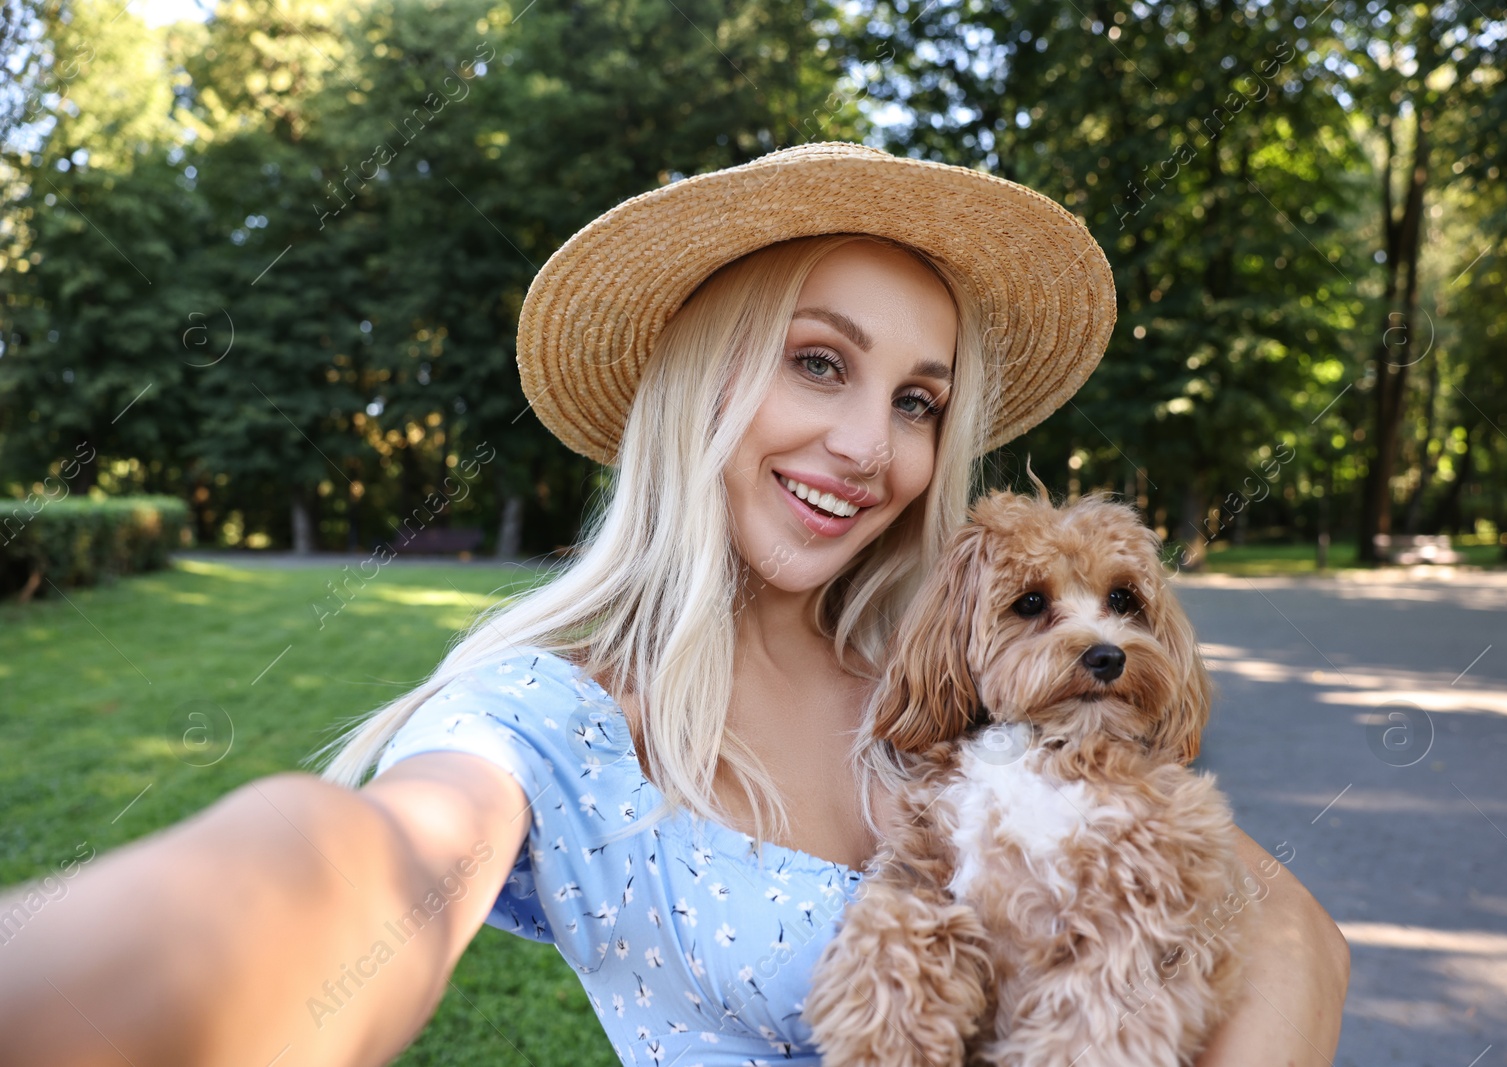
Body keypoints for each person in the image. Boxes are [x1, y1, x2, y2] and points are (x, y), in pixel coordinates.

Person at [0, 142, 1348, 1067]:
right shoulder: (549, 719)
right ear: (698, 381)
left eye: (918, 402)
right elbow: (361, 871)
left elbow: (1284, 928)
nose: (872, 449)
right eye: (817, 363)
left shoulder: (943, 678)